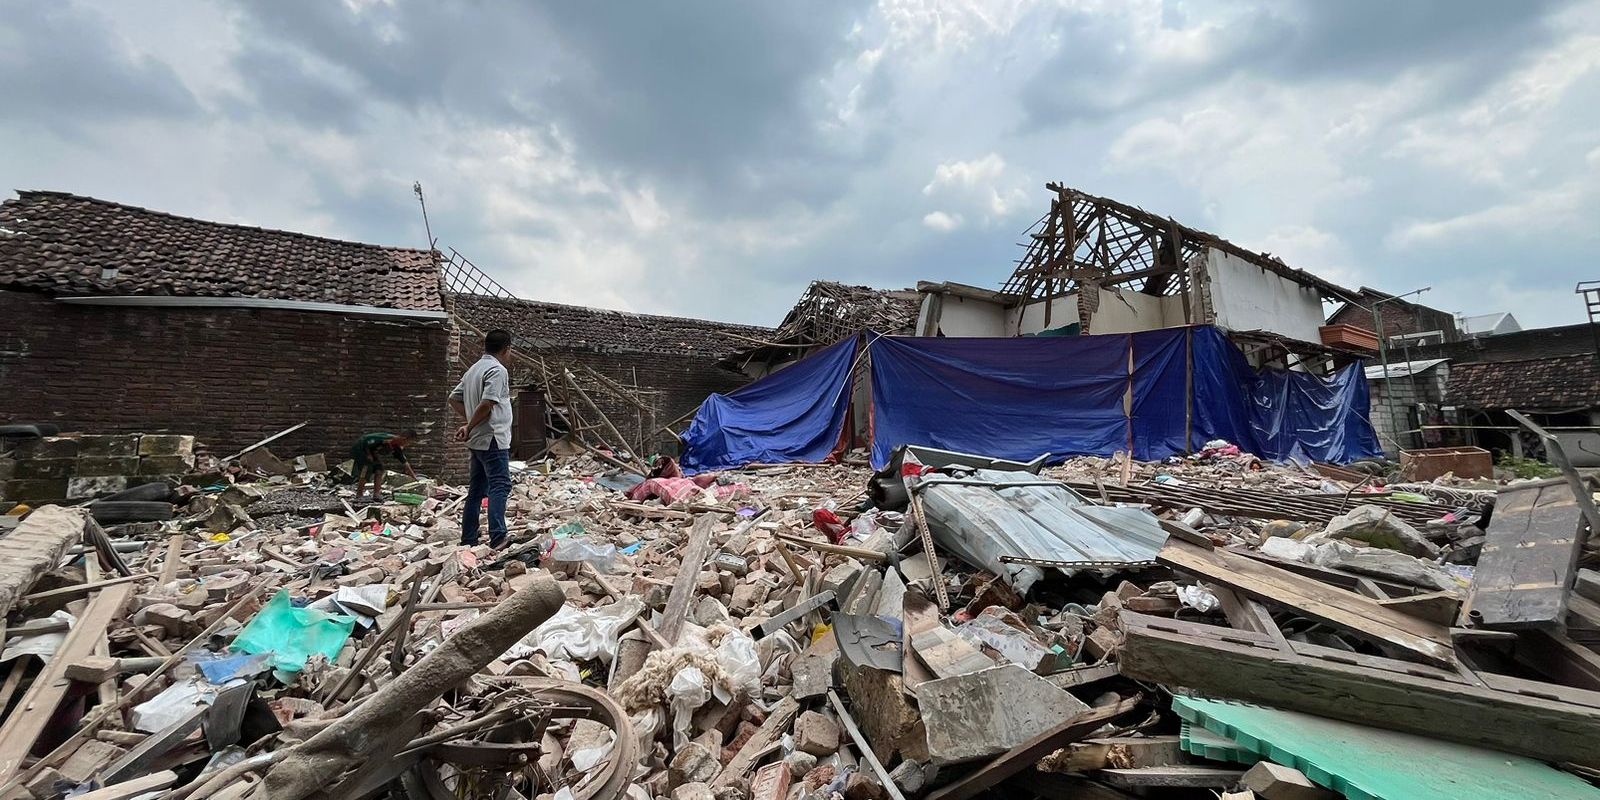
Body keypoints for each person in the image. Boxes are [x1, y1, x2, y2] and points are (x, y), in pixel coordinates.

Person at [449, 328, 514, 548]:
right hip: (493, 436)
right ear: (506, 349)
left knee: (476, 489)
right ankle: (498, 536)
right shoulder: (497, 370)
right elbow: (488, 403)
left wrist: (469, 424)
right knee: (500, 484)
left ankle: (469, 537)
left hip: (477, 439)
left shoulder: (473, 370)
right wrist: (471, 424)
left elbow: (454, 398)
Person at [350, 430, 418, 502]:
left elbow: (405, 463)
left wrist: (415, 478)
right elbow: (366, 442)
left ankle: (376, 494)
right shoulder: (385, 439)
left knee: (379, 469)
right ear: (404, 439)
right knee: (367, 468)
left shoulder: (396, 447)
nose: (407, 445)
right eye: (408, 443)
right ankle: (359, 495)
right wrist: (368, 454)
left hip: (371, 451)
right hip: (361, 448)